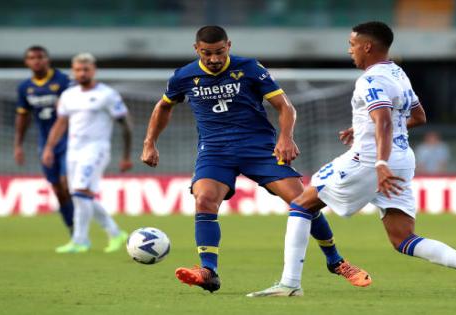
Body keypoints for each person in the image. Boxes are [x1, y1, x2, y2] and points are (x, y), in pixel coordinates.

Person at [248, 21, 456, 299]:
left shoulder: (369, 80)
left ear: (367, 46)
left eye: (352, 45)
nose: (350, 51)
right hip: (402, 159)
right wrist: (364, 130)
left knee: (301, 204)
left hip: (370, 161)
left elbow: (383, 120)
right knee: (403, 239)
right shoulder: (398, 73)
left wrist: (380, 163)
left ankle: (289, 283)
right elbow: (418, 117)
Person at [141, 25, 364, 293]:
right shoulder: (184, 76)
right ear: (196, 49)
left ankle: (336, 261)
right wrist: (149, 143)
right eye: (207, 53)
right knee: (204, 199)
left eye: (220, 52)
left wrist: (285, 138)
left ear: (229, 46)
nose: (214, 59)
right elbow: (163, 106)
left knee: (302, 200)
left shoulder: (249, 68)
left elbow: (285, 106)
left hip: (257, 148)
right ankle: (208, 270)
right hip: (214, 150)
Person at [42, 53, 132, 254]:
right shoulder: (68, 95)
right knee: (80, 196)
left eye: (86, 69)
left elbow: (126, 124)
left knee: (81, 193)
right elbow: (60, 123)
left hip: (96, 149)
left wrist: (126, 156)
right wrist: (49, 147)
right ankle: (115, 233)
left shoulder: (107, 94)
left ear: (93, 70)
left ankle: (80, 241)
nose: (82, 73)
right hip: (73, 151)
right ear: (73, 71)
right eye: (78, 69)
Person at [14, 46, 74, 236]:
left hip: (69, 140)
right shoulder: (25, 88)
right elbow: (23, 117)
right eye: (32, 58)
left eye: (40, 57)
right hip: (45, 143)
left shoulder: (64, 81)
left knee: (67, 183)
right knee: (57, 188)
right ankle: (72, 226)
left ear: (48, 59)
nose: (37, 61)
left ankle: (80, 227)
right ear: (26, 62)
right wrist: (18, 145)